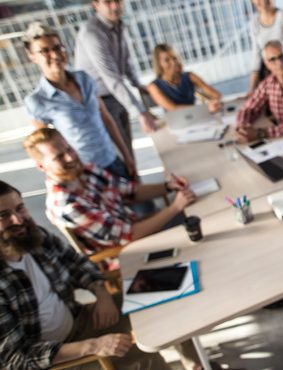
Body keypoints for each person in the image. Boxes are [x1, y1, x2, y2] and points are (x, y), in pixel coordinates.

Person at [0, 180, 170, 369]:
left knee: (162, 287)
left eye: (20, 208)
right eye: (3, 216)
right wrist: (93, 346)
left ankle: (195, 362)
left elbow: (78, 264)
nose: (18, 220)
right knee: (141, 356)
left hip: (80, 318)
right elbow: (15, 359)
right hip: (59, 359)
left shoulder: (34, 237)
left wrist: (102, 294)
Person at [23, 128, 196, 254]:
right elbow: (129, 236)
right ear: (41, 166)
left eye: (68, 149)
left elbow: (130, 192)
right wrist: (175, 207)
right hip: (127, 253)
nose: (70, 157)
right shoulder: (66, 204)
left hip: (137, 229)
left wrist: (167, 187)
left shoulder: (85, 170)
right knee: (197, 222)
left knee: (198, 213)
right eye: (59, 157)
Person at [23, 22, 136, 181]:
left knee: (143, 204)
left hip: (111, 159)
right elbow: (46, 150)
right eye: (44, 51)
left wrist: (127, 156)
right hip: (84, 172)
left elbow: (106, 118)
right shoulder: (37, 101)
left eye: (57, 48)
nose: (54, 55)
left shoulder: (84, 79)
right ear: (32, 56)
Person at [75, 0, 158, 158]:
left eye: (118, 1)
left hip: (116, 96)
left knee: (128, 150)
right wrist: (140, 112)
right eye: (108, 2)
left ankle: (134, 180)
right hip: (99, 101)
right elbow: (110, 76)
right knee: (120, 153)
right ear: (96, 5)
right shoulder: (91, 32)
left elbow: (125, 60)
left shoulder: (118, 25)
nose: (115, 6)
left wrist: (138, 84)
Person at [147, 43, 223, 112]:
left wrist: (213, 102)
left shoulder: (189, 76)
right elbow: (173, 108)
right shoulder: (153, 86)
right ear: (159, 64)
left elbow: (216, 95)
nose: (173, 63)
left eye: (174, 58)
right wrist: (205, 108)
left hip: (198, 117)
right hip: (176, 123)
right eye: (167, 60)